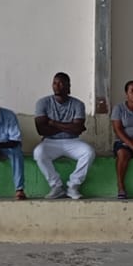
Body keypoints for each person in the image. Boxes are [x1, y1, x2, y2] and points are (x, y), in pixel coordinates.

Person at [33, 71, 94, 200]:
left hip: (73, 141)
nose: (57, 86)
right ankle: (56, 186)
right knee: (38, 152)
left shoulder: (78, 104)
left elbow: (76, 130)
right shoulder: (43, 103)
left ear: (68, 85)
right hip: (50, 141)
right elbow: (41, 130)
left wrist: (52, 123)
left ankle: (73, 186)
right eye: (54, 83)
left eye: (61, 83)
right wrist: (69, 127)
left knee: (88, 152)